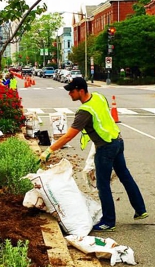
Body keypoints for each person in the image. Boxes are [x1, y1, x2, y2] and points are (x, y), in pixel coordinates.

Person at [39, 77, 147, 232]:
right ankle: (140, 209)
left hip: (105, 148)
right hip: (117, 141)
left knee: (103, 185)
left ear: (81, 91)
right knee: (125, 176)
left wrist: (49, 150)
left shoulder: (84, 112)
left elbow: (68, 136)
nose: (69, 93)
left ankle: (108, 221)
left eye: (72, 91)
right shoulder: (98, 97)